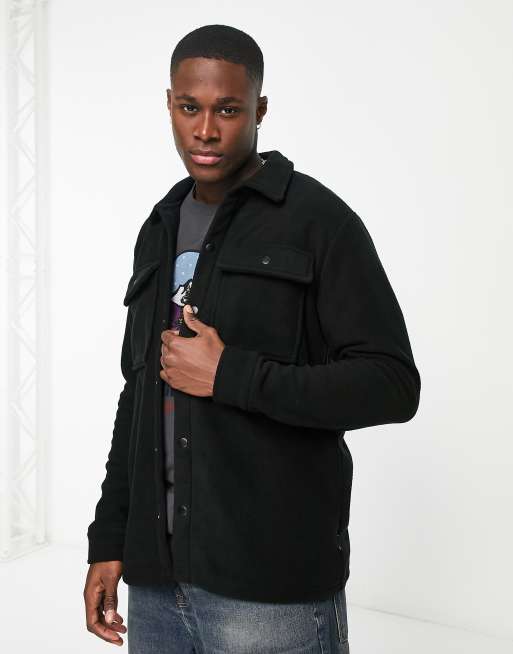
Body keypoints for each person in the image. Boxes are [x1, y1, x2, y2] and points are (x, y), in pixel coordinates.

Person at [83, 23, 421, 653]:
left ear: (260, 109)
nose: (206, 131)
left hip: (270, 591)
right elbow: (138, 395)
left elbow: (393, 385)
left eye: (228, 110)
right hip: (155, 583)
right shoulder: (159, 227)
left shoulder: (319, 222)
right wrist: (108, 539)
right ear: (169, 105)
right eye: (190, 108)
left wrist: (230, 374)